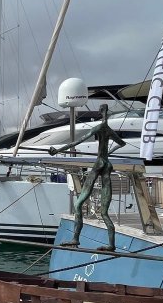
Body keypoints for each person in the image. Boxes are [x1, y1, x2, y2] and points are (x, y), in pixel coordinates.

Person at [49, 103, 127, 251]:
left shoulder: (98, 128)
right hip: (107, 165)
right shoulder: (109, 130)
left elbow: (76, 142)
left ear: (101, 112)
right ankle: (111, 244)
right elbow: (122, 144)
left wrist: (58, 149)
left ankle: (75, 239)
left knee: (78, 205)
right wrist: (109, 153)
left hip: (99, 164)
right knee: (104, 212)